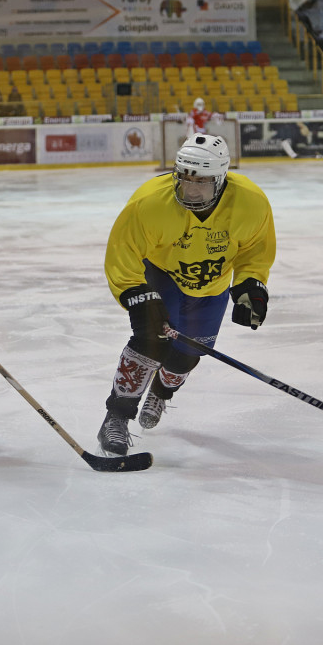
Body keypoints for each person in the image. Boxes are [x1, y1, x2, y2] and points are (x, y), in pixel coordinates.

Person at [96, 133, 276, 457]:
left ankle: (161, 394)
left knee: (190, 352)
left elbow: (255, 252)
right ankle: (117, 416)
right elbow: (122, 254)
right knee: (151, 340)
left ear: (220, 180)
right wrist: (136, 294)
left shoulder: (250, 202)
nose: (191, 191)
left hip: (214, 286)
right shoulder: (149, 202)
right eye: (185, 181)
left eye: (202, 184)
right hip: (163, 275)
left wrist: (251, 287)